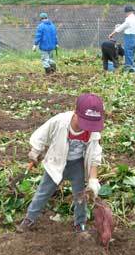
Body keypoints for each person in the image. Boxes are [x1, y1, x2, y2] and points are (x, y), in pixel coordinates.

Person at [17, 94, 104, 234]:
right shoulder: (60, 122)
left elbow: (94, 154)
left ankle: (80, 223)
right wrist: (35, 151)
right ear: (75, 112)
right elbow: (42, 135)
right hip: (56, 162)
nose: (88, 127)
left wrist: (93, 179)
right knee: (43, 192)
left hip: (77, 165)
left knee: (80, 196)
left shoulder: (92, 132)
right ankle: (29, 218)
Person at [109, 5, 135, 72]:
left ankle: (129, 68)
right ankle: (131, 65)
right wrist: (120, 26)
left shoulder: (129, 20)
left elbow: (120, 28)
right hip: (133, 37)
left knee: (128, 52)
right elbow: (125, 26)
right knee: (131, 52)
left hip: (129, 37)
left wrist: (112, 34)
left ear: (127, 12)